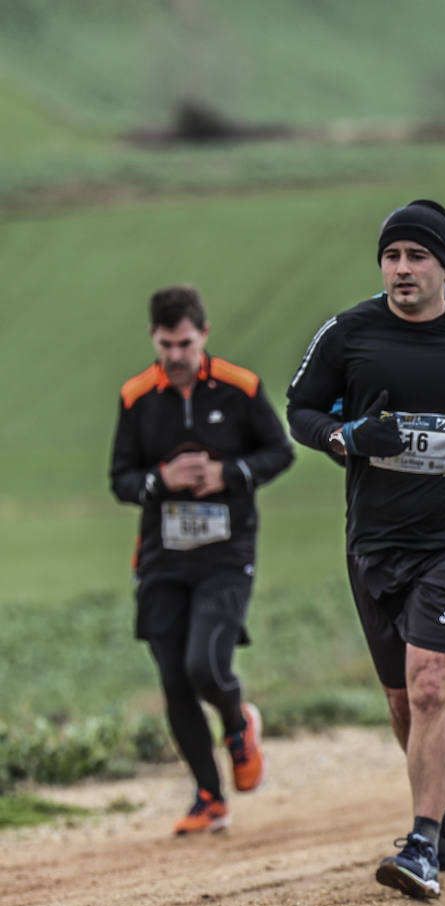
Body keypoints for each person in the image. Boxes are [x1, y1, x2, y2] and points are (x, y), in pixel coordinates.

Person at [286, 200, 445, 900]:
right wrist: (350, 437)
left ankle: (422, 840)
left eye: (415, 256)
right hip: (375, 543)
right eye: (391, 257)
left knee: (432, 684)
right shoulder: (349, 332)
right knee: (402, 700)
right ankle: (444, 809)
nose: (401, 269)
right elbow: (301, 407)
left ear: (443, 267)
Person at [110, 284, 292, 835]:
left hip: (226, 554)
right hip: (162, 558)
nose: (175, 355)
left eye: (185, 343)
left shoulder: (240, 388)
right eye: (166, 344)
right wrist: (157, 481)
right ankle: (208, 797)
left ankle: (238, 725)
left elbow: (279, 451)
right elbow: (119, 480)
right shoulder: (136, 397)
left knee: (204, 665)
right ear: (154, 339)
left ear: (203, 336)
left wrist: (228, 474)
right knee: (173, 680)